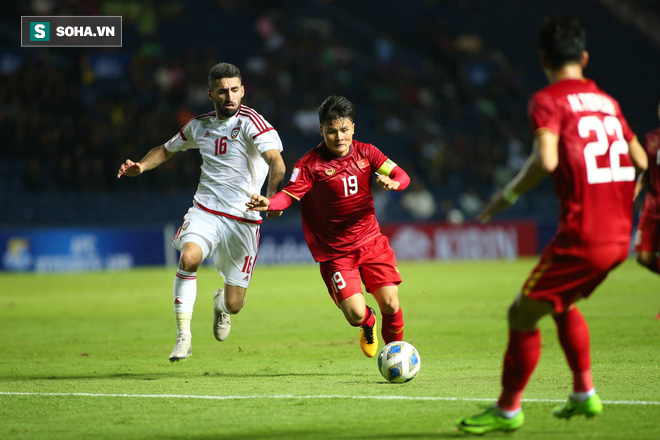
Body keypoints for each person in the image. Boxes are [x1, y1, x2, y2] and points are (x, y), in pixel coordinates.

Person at [456, 16, 648, 434]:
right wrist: (626, 196)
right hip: (620, 236)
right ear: (583, 57)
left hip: (584, 235)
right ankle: (583, 394)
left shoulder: (548, 100)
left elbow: (547, 159)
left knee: (520, 315)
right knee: (561, 304)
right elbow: (642, 160)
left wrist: (505, 196)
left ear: (544, 59)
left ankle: (508, 410)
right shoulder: (608, 102)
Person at [117, 63, 286, 362]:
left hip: (244, 222)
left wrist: (271, 200)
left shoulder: (252, 123)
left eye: (235, 89)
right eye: (222, 91)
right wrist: (141, 166)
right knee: (190, 256)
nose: (229, 96)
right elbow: (166, 149)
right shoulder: (199, 125)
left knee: (235, 304)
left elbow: (277, 162)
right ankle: (184, 337)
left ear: (243, 90)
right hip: (206, 210)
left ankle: (221, 305)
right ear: (211, 94)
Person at [246, 95, 410, 358]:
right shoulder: (310, 164)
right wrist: (270, 203)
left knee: (390, 303)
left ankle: (395, 355)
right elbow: (289, 195)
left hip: (370, 242)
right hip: (336, 253)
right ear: (321, 130)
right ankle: (368, 323)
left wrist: (394, 184)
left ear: (353, 128)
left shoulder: (368, 152)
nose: (339, 137)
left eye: (344, 130)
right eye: (332, 131)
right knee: (356, 313)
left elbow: (402, 175)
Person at [633, 97, 660, 276]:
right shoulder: (651, 138)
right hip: (652, 205)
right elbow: (647, 170)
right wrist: (635, 190)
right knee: (644, 257)